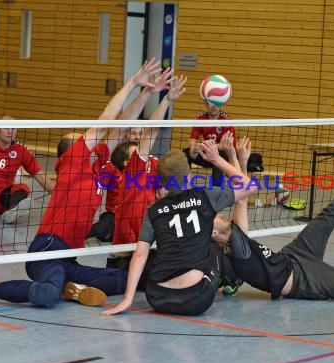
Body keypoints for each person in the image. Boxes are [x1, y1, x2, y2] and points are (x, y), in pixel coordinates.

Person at [0, 59, 166, 308]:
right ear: (71, 148)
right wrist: (131, 82)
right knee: (47, 296)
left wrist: (148, 92)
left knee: (124, 278)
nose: (88, 140)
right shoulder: (73, 161)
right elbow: (107, 119)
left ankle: (70, 289)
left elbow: (121, 126)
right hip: (48, 251)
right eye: (80, 138)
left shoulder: (97, 164)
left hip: (68, 257)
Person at [211, 136, 334, 301]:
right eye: (217, 217)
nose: (221, 214)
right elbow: (240, 199)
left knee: (333, 210)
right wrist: (229, 157)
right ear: (213, 232)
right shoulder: (235, 249)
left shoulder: (236, 238)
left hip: (294, 254)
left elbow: (242, 196)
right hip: (301, 280)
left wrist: (241, 160)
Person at [101, 139, 259, 317]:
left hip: (157, 298)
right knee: (214, 248)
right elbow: (250, 186)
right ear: (190, 176)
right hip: (196, 299)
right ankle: (231, 278)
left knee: (161, 254)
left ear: (161, 181)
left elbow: (140, 255)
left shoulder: (153, 211)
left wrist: (127, 299)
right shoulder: (205, 196)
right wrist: (217, 160)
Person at [107, 74, 188, 272]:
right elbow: (151, 132)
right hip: (126, 259)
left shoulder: (146, 171)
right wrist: (167, 99)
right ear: (128, 163)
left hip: (144, 249)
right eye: (135, 152)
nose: (141, 151)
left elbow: (163, 192)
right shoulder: (131, 174)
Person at [86, 68, 176, 243]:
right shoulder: (112, 164)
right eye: (133, 133)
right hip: (117, 213)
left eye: (139, 133)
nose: (137, 137)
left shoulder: (153, 162)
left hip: (146, 214)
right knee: (107, 229)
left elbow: (164, 189)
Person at [183, 98, 235, 186]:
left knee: (221, 154)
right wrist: (194, 150)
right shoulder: (200, 119)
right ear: (206, 104)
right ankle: (184, 185)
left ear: (221, 105)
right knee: (185, 153)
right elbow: (193, 143)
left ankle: (216, 189)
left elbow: (223, 145)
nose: (214, 106)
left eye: (217, 103)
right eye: (211, 103)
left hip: (227, 156)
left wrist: (204, 146)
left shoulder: (226, 120)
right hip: (208, 153)